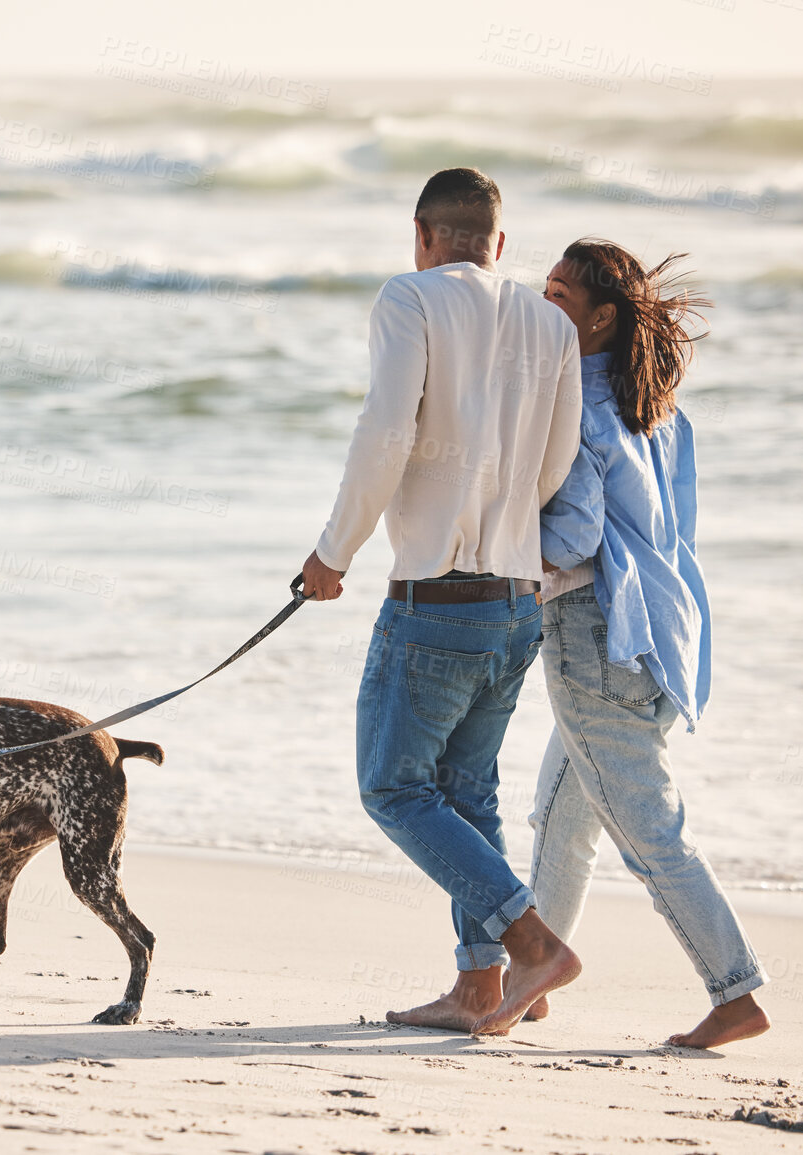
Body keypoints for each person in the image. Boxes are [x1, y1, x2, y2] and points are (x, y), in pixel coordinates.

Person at [300, 167, 584, 1036]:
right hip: (513, 599)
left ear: (421, 235)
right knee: (467, 793)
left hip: (436, 597)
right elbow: (557, 463)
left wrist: (331, 551)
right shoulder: (549, 321)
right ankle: (478, 987)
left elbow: (385, 429)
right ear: (498, 243)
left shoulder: (410, 298)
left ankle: (533, 942)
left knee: (392, 787)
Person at [521, 239, 770, 1048]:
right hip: (662, 634)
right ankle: (531, 977)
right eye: (542, 286)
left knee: (646, 830)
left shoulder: (577, 405)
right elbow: (674, 528)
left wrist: (500, 551)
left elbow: (574, 534)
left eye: (558, 295)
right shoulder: (654, 406)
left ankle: (734, 991)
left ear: (598, 319)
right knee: (562, 814)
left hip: (596, 632)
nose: (541, 302)